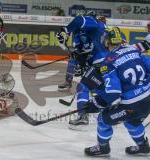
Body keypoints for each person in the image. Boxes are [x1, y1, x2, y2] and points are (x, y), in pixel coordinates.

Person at [82, 27, 150, 156]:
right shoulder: (135, 50)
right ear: (122, 40)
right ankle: (143, 146)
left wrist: (94, 104)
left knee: (103, 119)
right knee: (132, 121)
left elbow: (113, 95)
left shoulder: (108, 62)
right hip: (148, 99)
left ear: (107, 43)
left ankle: (103, 148)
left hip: (132, 104)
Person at [57, 15, 108, 125]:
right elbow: (86, 49)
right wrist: (80, 60)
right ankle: (111, 111)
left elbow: (80, 19)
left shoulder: (95, 22)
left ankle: (83, 116)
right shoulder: (103, 29)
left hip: (99, 61)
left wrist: (65, 30)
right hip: (109, 62)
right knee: (99, 89)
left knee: (83, 87)